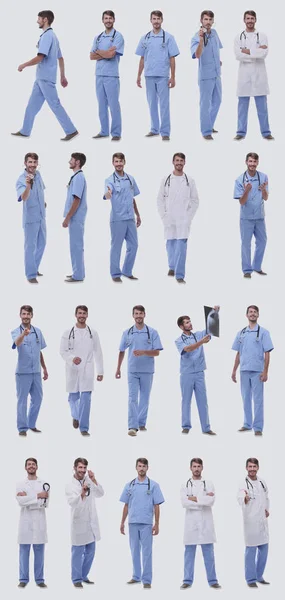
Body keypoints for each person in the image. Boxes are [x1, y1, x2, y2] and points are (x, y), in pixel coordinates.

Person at [12, 10, 78, 141]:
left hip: (45, 78)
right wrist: (62, 76)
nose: (37, 21)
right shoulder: (52, 36)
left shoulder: (48, 36)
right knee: (31, 106)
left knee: (55, 104)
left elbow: (40, 57)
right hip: (41, 78)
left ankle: (71, 130)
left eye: (39, 19)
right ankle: (25, 131)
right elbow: (61, 58)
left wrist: (23, 65)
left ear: (45, 19)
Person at [116, 305, 163, 436]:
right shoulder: (127, 332)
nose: (138, 316)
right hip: (132, 370)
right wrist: (118, 368)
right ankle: (132, 426)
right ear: (133, 315)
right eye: (136, 314)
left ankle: (141, 423)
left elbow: (157, 353)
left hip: (147, 370)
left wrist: (143, 352)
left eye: (140, 314)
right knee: (132, 398)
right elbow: (121, 351)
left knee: (144, 398)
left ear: (144, 315)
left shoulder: (152, 332)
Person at [120, 458, 165, 589]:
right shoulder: (130, 485)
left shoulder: (154, 485)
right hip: (132, 522)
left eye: (144, 466)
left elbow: (157, 505)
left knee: (147, 552)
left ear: (147, 468)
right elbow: (126, 505)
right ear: (136, 467)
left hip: (146, 523)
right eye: (139, 466)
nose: (141, 468)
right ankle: (136, 577)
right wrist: (122, 522)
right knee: (134, 551)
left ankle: (146, 580)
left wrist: (157, 523)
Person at [136, 10, 180, 141]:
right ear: (150, 20)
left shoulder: (168, 37)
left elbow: (172, 58)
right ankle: (154, 129)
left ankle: (165, 132)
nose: (156, 21)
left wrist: (173, 76)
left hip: (162, 76)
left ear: (162, 20)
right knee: (152, 103)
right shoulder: (145, 38)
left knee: (164, 105)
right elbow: (142, 58)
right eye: (154, 19)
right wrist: (138, 75)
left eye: (158, 19)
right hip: (149, 75)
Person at [60, 305, 104, 436]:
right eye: (79, 313)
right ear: (75, 315)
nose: (82, 316)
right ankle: (76, 415)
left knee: (86, 399)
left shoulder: (93, 333)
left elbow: (98, 352)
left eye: (84, 313)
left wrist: (100, 371)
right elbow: (62, 351)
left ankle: (84, 428)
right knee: (73, 397)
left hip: (88, 368)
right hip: (72, 368)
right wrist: (72, 358)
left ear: (87, 315)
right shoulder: (67, 332)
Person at [175, 309, 219, 435]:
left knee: (203, 401)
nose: (190, 324)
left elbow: (211, 328)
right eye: (187, 323)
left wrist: (214, 313)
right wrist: (201, 342)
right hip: (186, 374)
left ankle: (206, 428)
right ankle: (186, 426)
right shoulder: (178, 340)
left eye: (190, 321)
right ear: (181, 326)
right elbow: (187, 349)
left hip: (199, 373)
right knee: (186, 400)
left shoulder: (198, 334)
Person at [157, 153, 199, 283]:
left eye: (181, 160)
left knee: (181, 247)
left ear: (185, 162)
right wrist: (164, 216)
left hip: (183, 219)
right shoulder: (166, 179)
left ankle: (179, 275)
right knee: (170, 245)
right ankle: (172, 266)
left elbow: (195, 200)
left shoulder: (190, 181)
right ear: (173, 162)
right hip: (169, 217)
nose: (179, 163)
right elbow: (160, 199)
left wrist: (188, 216)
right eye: (177, 160)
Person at [231, 305, 274, 436]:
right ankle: (247, 424)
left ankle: (258, 427)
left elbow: (267, 352)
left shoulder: (263, 332)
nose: (253, 314)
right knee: (245, 398)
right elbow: (239, 353)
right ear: (247, 315)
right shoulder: (241, 333)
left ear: (258, 315)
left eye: (255, 312)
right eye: (250, 312)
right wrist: (234, 371)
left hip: (257, 371)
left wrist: (265, 371)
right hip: (244, 370)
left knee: (258, 400)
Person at [180, 458, 221, 589]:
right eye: (194, 466)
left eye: (199, 466)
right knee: (189, 555)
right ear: (190, 468)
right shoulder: (185, 484)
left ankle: (213, 581)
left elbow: (211, 501)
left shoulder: (208, 483)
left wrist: (195, 498)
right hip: (191, 525)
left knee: (209, 555)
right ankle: (187, 580)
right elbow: (184, 503)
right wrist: (202, 499)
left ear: (202, 468)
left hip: (206, 525)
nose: (196, 469)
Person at [234, 10, 273, 140]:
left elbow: (264, 54)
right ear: (244, 20)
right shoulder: (238, 37)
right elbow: (238, 55)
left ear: (255, 20)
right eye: (248, 18)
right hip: (244, 77)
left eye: (252, 18)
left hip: (259, 76)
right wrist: (255, 53)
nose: (250, 21)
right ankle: (240, 132)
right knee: (242, 108)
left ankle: (266, 132)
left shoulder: (262, 36)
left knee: (262, 108)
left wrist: (248, 51)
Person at [66, 458, 104, 588]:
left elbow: (100, 493)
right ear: (75, 467)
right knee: (77, 552)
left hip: (90, 523)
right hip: (78, 523)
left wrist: (93, 480)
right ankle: (76, 579)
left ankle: (83, 575)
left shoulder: (88, 480)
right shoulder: (70, 485)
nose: (82, 470)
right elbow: (72, 502)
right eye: (80, 467)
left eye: (84, 468)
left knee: (91, 551)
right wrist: (82, 493)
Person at [11, 305, 48, 437]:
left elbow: (39, 352)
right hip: (23, 373)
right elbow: (17, 343)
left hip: (36, 372)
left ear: (32, 315)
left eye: (28, 314)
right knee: (22, 400)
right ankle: (22, 428)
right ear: (20, 315)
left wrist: (44, 369)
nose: (26, 316)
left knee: (38, 398)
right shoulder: (16, 331)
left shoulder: (38, 331)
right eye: (24, 314)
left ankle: (31, 424)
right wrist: (23, 334)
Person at [104, 153, 141, 282]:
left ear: (124, 162)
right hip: (117, 219)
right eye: (116, 161)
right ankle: (115, 274)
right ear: (113, 163)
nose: (118, 164)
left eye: (120, 161)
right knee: (116, 247)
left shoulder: (131, 179)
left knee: (134, 245)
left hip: (130, 218)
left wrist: (138, 214)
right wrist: (108, 193)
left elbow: (132, 198)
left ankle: (127, 271)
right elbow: (107, 195)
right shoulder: (109, 180)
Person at [90, 10, 124, 141]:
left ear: (114, 20)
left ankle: (116, 133)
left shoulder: (118, 36)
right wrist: (105, 52)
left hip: (111, 75)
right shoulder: (98, 37)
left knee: (113, 104)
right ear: (102, 20)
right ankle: (104, 131)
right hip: (99, 75)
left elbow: (111, 55)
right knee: (101, 104)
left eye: (110, 18)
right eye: (106, 18)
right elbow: (91, 56)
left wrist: (100, 52)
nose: (108, 20)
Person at [16, 457, 49, 588]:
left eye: (33, 464)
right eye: (29, 464)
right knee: (24, 551)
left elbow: (44, 504)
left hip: (39, 522)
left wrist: (28, 498)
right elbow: (20, 501)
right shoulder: (20, 484)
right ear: (25, 467)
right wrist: (37, 496)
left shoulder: (44, 484)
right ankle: (23, 579)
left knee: (39, 552)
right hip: (25, 523)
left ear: (37, 467)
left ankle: (39, 579)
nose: (31, 466)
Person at [234, 153, 269, 278]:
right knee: (246, 244)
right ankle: (247, 270)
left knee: (262, 241)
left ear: (257, 163)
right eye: (250, 161)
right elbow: (241, 202)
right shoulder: (240, 179)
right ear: (246, 162)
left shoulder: (264, 177)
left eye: (254, 162)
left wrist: (263, 190)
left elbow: (266, 198)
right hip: (246, 218)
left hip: (259, 217)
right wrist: (246, 191)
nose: (252, 164)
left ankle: (257, 266)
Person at [237, 458, 270, 587]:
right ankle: (250, 579)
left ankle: (259, 575)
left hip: (262, 521)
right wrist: (244, 498)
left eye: (254, 466)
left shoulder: (262, 482)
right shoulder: (243, 483)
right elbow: (240, 495)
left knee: (264, 549)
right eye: (249, 467)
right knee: (250, 551)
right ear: (246, 468)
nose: (252, 469)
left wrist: (267, 509)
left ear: (258, 467)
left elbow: (266, 497)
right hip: (250, 521)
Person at [191, 10, 223, 140]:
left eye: (210, 20)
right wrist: (200, 40)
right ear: (201, 20)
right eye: (206, 19)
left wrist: (217, 61)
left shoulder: (214, 33)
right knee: (205, 104)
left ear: (213, 21)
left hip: (216, 74)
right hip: (205, 76)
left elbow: (216, 49)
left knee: (218, 101)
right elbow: (197, 55)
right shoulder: (195, 36)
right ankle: (206, 132)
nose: (208, 22)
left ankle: (209, 125)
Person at [16, 153, 46, 284]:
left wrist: (43, 203)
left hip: (41, 216)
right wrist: (28, 185)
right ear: (25, 163)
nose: (32, 165)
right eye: (30, 162)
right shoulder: (21, 179)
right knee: (30, 247)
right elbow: (24, 197)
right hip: (30, 219)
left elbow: (41, 190)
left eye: (34, 162)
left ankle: (34, 267)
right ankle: (30, 275)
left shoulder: (38, 175)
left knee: (42, 243)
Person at [63, 153, 87, 283]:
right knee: (75, 246)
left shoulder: (79, 178)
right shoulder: (76, 177)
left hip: (76, 217)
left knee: (76, 246)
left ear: (77, 162)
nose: (69, 161)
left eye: (71, 160)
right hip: (75, 217)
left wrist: (67, 218)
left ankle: (78, 276)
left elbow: (76, 200)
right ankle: (78, 273)